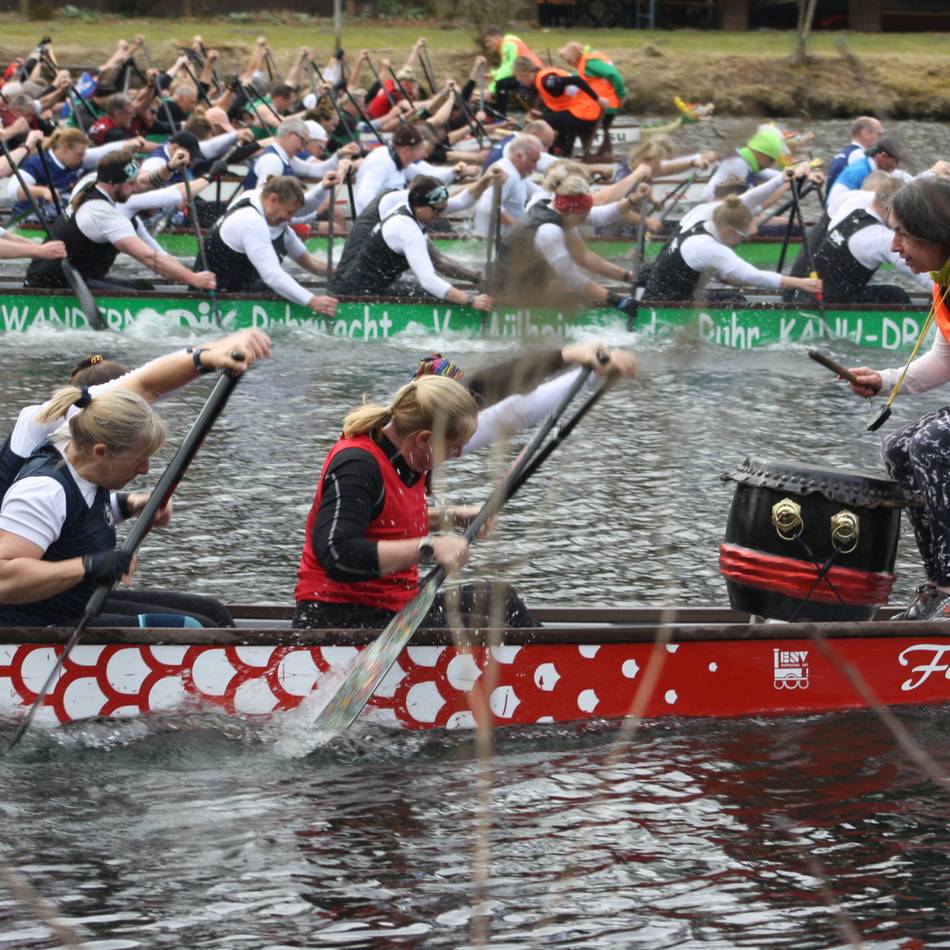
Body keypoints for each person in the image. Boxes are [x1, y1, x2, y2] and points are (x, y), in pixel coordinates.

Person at [293, 375, 535, 630]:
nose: (459, 454)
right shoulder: (357, 466)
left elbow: (383, 519)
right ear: (423, 439)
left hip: (395, 605)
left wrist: (451, 517)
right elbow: (336, 555)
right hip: (338, 616)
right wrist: (428, 547)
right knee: (486, 632)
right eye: (454, 446)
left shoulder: (408, 457)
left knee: (501, 600)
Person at [844, 177, 950, 620]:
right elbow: (945, 359)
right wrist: (884, 380)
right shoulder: (943, 281)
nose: (894, 245)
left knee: (932, 444)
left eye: (904, 232)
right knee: (899, 447)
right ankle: (939, 584)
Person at [24, 151, 217, 292]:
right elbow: (149, 259)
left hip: (70, 275)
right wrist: (193, 278)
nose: (136, 188)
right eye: (131, 184)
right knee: (141, 292)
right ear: (114, 184)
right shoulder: (103, 214)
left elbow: (144, 182)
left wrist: (169, 167)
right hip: (53, 284)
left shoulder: (92, 182)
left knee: (144, 286)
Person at [329, 174, 492, 309]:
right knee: (440, 294)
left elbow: (462, 202)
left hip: (369, 288)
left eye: (444, 209)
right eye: (438, 210)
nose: (442, 215)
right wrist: (471, 301)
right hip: (357, 297)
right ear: (420, 207)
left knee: (432, 290)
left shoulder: (409, 209)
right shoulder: (408, 229)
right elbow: (429, 280)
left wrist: (486, 179)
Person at [492, 173, 641, 316]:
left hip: (531, 282)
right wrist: (616, 301)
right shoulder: (549, 232)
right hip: (506, 293)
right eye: (583, 217)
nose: (585, 220)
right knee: (564, 288)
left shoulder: (556, 209)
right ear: (572, 213)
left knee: (564, 288)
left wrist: (633, 200)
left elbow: (600, 219)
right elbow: (573, 278)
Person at [641, 194, 822, 305]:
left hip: (662, 293)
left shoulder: (701, 216)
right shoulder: (707, 247)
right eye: (743, 237)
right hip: (664, 305)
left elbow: (751, 196)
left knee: (732, 294)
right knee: (736, 301)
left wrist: (782, 179)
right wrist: (802, 283)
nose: (741, 243)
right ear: (729, 230)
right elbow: (754, 276)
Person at [200, 174, 337, 316]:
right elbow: (272, 275)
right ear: (273, 200)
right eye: (289, 213)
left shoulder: (258, 197)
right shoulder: (251, 222)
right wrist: (313, 301)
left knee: (290, 284)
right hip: (211, 298)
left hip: (236, 292)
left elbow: (312, 264)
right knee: (283, 286)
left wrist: (323, 187)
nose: (291, 219)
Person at [804, 175, 932, 305]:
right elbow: (921, 273)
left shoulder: (851, 207)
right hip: (832, 304)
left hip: (815, 292)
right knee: (895, 295)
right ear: (893, 208)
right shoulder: (880, 238)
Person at [353, 123, 458, 215]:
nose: (425, 155)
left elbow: (430, 179)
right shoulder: (381, 162)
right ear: (407, 150)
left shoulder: (399, 160)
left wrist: (454, 172)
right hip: (373, 226)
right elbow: (364, 199)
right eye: (420, 149)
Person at [512, 56, 606, 158]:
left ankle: (547, 154)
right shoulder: (542, 78)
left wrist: (598, 99)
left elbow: (577, 80)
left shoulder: (546, 81)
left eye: (518, 76)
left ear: (526, 73)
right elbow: (559, 104)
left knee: (543, 123)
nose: (517, 79)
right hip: (579, 112)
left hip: (586, 114)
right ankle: (561, 151)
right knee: (547, 117)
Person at [558, 42, 625, 157]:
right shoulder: (585, 62)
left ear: (575, 56)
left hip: (605, 103)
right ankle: (594, 152)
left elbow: (615, 75)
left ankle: (595, 153)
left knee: (577, 122)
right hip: (598, 103)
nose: (570, 64)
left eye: (569, 61)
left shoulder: (590, 62)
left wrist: (621, 95)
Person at [472, 133, 543, 237]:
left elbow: (540, 193)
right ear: (519, 156)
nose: (535, 166)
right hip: (493, 243)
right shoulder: (507, 174)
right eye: (533, 161)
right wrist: (520, 229)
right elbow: (487, 207)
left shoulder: (518, 173)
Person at [701, 125, 786, 202]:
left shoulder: (748, 162)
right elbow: (707, 196)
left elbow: (777, 176)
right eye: (770, 160)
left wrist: (793, 175)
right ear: (759, 153)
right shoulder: (738, 165)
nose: (770, 165)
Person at [827, 138, 909, 214]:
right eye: (895, 162)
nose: (895, 167)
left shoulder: (873, 166)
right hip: (835, 213)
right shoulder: (860, 172)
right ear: (882, 157)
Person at [482, 26, 542, 116]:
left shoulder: (509, 45)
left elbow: (508, 69)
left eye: (488, 41)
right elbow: (506, 67)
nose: (487, 45)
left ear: (497, 37)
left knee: (501, 84)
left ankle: (501, 116)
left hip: (532, 75)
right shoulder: (506, 45)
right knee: (502, 83)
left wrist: (491, 89)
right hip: (527, 73)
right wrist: (493, 74)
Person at [825, 116, 883, 198]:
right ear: (865, 133)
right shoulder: (859, 156)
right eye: (879, 134)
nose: (881, 139)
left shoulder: (844, 153)